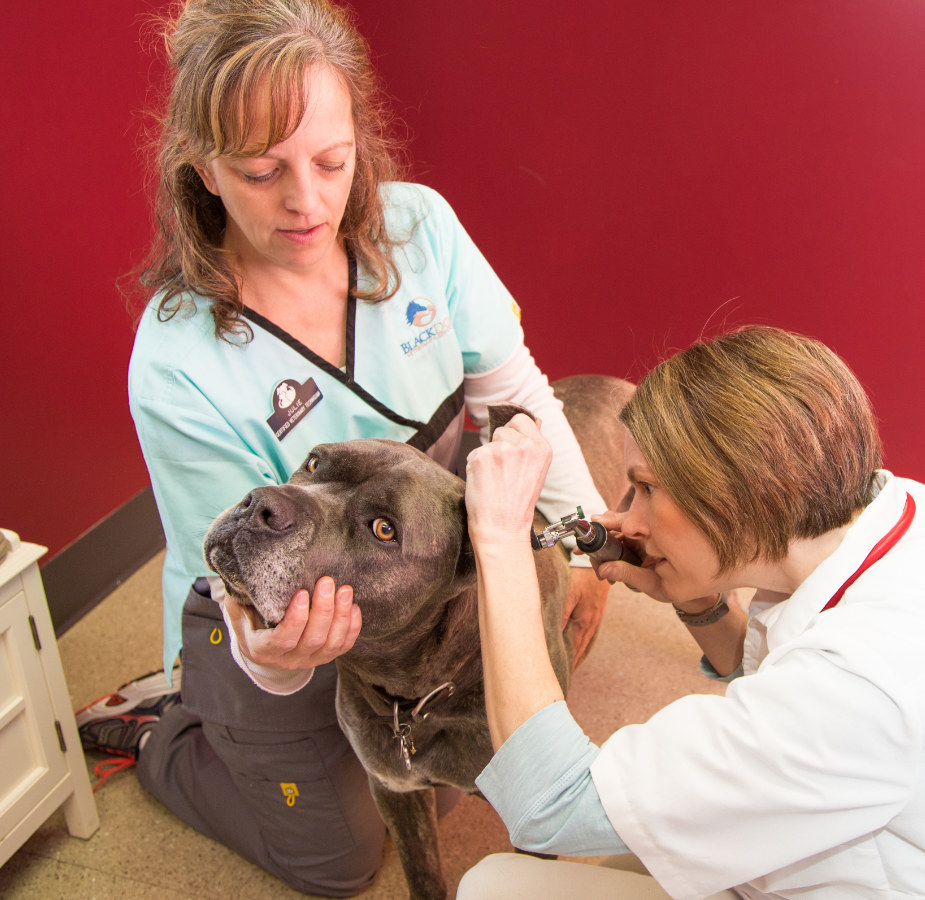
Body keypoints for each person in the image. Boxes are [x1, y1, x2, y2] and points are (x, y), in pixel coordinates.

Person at [74, 0, 611, 894]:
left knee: (463, 760)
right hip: (254, 608)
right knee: (343, 859)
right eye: (259, 171)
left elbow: (516, 400)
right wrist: (271, 659)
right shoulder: (177, 362)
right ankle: (170, 729)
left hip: (393, 569)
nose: (307, 201)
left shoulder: (420, 229)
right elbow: (240, 580)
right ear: (201, 169)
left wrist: (583, 537)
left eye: (331, 160)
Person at [458, 325, 925, 900]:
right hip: (817, 831)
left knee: (493, 885)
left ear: (743, 490)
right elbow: (776, 679)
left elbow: (550, 802)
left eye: (646, 488)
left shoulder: (856, 690)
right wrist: (698, 602)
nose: (626, 523)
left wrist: (500, 537)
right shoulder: (894, 507)